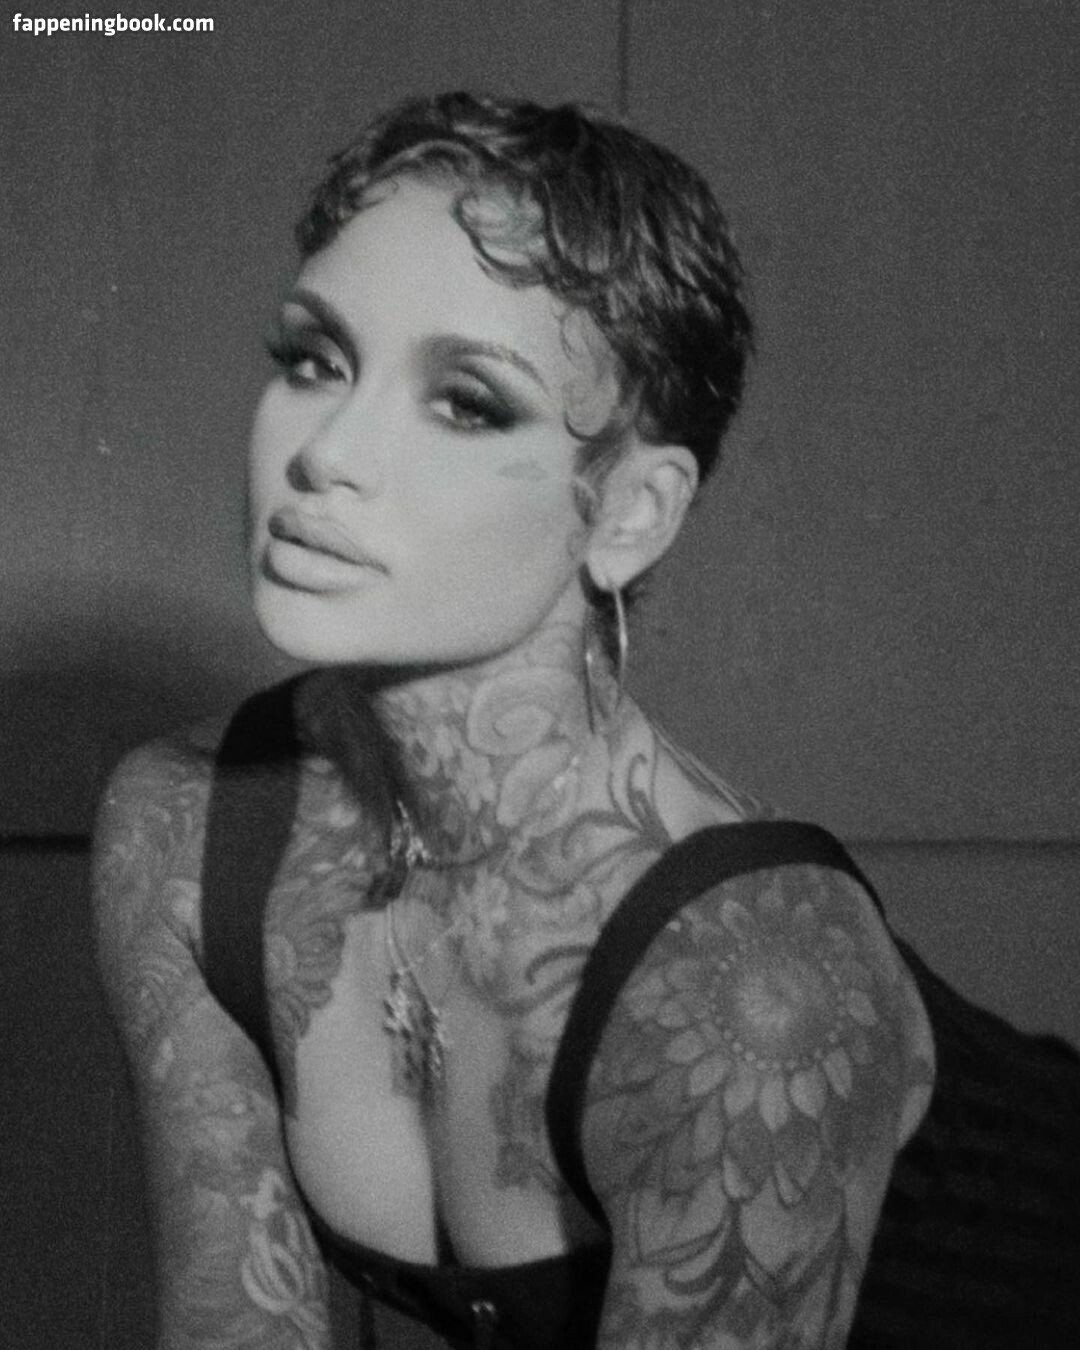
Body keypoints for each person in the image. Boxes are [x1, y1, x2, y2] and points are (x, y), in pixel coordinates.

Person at [92, 91, 1080, 1350]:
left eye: (467, 402)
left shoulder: (750, 978)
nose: (324, 452)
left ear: (629, 515)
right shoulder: (185, 833)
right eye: (315, 359)